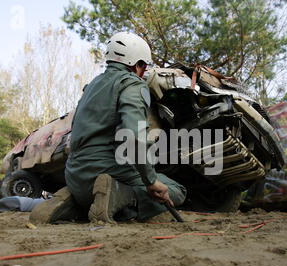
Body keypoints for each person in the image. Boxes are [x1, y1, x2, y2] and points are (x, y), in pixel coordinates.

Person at [30, 32, 186, 224]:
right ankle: (118, 196)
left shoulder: (91, 87)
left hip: (75, 175)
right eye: (144, 66)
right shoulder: (132, 84)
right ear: (136, 64)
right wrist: (151, 180)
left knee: (99, 189)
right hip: (105, 171)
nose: (143, 72)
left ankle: (74, 202)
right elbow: (134, 137)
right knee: (177, 191)